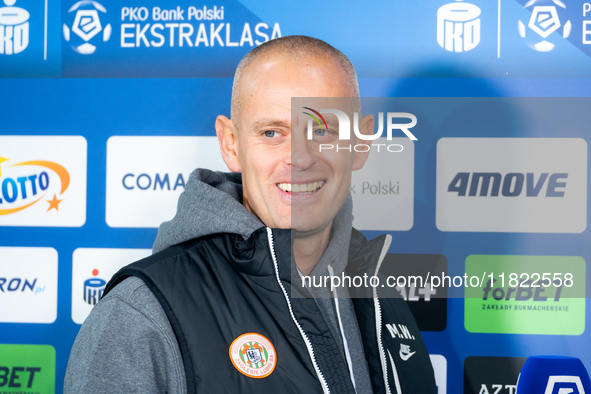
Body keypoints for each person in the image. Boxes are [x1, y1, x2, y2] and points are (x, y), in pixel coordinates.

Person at [65, 35, 436, 394]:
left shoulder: (378, 295)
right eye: (272, 133)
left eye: (323, 129)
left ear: (360, 144)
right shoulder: (141, 315)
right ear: (231, 144)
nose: (301, 158)